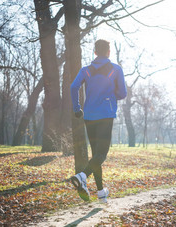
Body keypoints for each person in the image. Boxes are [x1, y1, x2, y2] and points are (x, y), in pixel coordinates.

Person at [70, 39, 127, 203]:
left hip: (88, 116)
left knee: (96, 155)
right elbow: (122, 94)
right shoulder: (116, 70)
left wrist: (76, 108)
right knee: (102, 154)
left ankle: (101, 192)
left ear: (95, 52)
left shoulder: (86, 70)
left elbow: (74, 87)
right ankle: (82, 176)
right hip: (106, 114)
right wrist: (109, 95)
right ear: (108, 52)